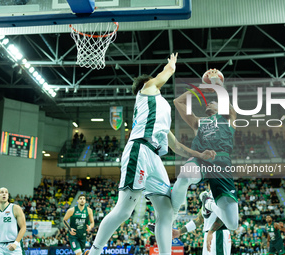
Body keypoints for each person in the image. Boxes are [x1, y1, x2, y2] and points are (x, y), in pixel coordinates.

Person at [87, 53, 214, 255]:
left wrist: (200, 154)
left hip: (154, 156)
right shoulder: (146, 91)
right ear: (146, 85)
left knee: (166, 211)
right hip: (140, 150)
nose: (157, 82)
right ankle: (94, 251)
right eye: (153, 80)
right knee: (124, 211)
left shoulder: (159, 111)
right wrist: (171, 64)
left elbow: (177, 146)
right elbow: (168, 72)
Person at [170, 68, 238, 248]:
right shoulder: (198, 122)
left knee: (233, 223)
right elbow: (178, 101)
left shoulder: (228, 119)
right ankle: (172, 212)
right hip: (201, 161)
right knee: (185, 174)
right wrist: (200, 89)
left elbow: (230, 109)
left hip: (222, 166)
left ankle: (209, 203)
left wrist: (217, 86)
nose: (209, 103)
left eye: (213, 102)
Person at [0, 187, 26, 255]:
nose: (4, 194)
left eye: (6, 192)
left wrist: (15, 243)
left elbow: (23, 227)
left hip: (14, 245)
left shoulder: (15, 208)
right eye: (2, 192)